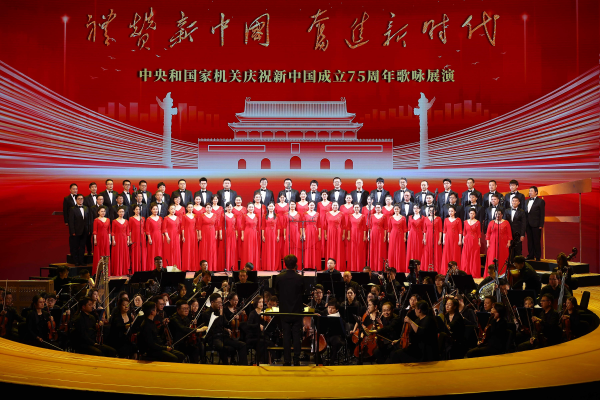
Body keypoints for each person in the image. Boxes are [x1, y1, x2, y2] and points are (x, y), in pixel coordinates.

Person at [275, 255, 306, 366]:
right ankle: (296, 359)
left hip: (284, 310)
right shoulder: (300, 278)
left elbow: (277, 292)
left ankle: (287, 360)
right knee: (296, 335)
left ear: (285, 264)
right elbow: (303, 293)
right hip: (297, 311)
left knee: (286, 335)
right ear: (296, 264)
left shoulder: (279, 278)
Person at [202, 293, 248, 365]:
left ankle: (243, 366)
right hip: (213, 337)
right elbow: (215, 325)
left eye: (221, 302)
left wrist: (234, 318)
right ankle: (226, 366)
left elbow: (226, 323)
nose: (220, 305)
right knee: (223, 348)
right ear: (212, 302)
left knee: (242, 345)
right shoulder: (206, 313)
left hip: (223, 336)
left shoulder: (220, 311)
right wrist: (221, 315)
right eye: (218, 303)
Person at [246, 296, 275, 364]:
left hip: (261, 335)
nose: (261, 304)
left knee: (270, 342)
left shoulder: (264, 313)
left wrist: (269, 321)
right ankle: (261, 361)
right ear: (256, 303)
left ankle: (270, 361)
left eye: (262, 302)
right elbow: (248, 325)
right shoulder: (252, 313)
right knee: (263, 343)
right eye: (259, 302)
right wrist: (258, 325)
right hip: (253, 336)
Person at [485, 208, 512, 276]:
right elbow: (488, 233)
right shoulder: (491, 222)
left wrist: (509, 242)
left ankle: (502, 274)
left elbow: (509, 233)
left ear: (502, 215)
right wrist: (488, 242)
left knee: (503, 257)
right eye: (496, 214)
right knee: (492, 257)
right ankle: (492, 274)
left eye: (499, 214)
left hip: (503, 242)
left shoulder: (506, 222)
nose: (497, 215)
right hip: (492, 242)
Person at [68, 194, 91, 266]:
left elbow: (88, 220)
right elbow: (71, 221)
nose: (80, 200)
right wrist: (72, 231)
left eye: (82, 198)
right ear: (76, 200)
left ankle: (81, 261)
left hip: (85, 231)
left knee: (82, 247)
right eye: (79, 199)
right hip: (76, 231)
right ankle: (76, 261)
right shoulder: (72, 209)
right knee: (75, 247)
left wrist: (89, 230)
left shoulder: (86, 208)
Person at [441, 205, 462, 274]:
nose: (450, 212)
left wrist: (460, 240)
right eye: (449, 211)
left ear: (455, 212)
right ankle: (446, 270)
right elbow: (444, 231)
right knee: (447, 253)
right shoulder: (446, 220)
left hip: (455, 238)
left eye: (452, 211)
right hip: (447, 238)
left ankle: (455, 270)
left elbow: (460, 231)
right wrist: (443, 240)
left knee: (455, 253)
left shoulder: (458, 220)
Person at [525, 186, 545, 261]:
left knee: (536, 241)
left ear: (536, 192)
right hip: (528, 224)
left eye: (531, 191)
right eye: (529, 191)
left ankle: (537, 256)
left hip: (536, 224)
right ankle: (531, 255)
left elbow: (542, 214)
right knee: (529, 241)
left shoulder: (540, 201)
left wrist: (541, 224)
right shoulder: (526, 201)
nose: (530, 192)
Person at [461, 207, 482, 278]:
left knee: (474, 256)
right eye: (470, 213)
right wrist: (463, 239)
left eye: (473, 213)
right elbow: (464, 232)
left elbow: (479, 233)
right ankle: (466, 271)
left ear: (475, 214)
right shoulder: (465, 222)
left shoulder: (478, 222)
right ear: (468, 214)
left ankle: (474, 272)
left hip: (474, 240)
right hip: (467, 240)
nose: (472, 215)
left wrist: (479, 241)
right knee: (466, 255)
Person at [198, 203, 219, 271]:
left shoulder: (215, 215)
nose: (208, 209)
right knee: (204, 248)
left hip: (212, 233)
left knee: (212, 249)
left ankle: (212, 267)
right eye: (207, 207)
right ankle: (203, 267)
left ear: (211, 208)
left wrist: (216, 234)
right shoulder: (202, 215)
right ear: (205, 208)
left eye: (210, 207)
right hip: (204, 234)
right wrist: (199, 235)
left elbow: (216, 226)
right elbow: (199, 226)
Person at [325, 202, 346, 270]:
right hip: (330, 232)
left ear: (338, 206)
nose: (335, 206)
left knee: (338, 248)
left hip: (338, 233)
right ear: (331, 206)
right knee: (330, 247)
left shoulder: (341, 214)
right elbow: (325, 225)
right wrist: (325, 234)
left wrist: (343, 234)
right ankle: (330, 266)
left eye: (336, 205)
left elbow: (344, 225)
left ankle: (338, 266)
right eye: (334, 205)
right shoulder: (327, 214)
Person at [111, 207, 131, 276]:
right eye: (120, 212)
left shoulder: (126, 221)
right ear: (117, 213)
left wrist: (128, 240)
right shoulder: (114, 221)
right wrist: (113, 240)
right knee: (117, 254)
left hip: (124, 239)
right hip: (117, 239)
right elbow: (113, 232)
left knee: (124, 254)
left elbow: (128, 232)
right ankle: (117, 271)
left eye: (122, 211)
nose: (121, 213)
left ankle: (124, 270)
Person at [347, 203, 367, 272]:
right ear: (353, 208)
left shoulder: (363, 216)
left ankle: (359, 267)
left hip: (360, 234)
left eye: (357, 207)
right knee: (353, 250)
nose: (356, 209)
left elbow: (364, 227)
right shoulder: (350, 216)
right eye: (355, 207)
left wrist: (364, 236)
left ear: (360, 208)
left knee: (360, 250)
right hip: (352, 234)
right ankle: (353, 267)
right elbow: (348, 227)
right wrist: (348, 236)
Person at [422, 206, 442, 272]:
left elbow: (440, 230)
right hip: (428, 237)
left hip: (436, 237)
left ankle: (436, 268)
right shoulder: (425, 218)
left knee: (436, 252)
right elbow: (424, 230)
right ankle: (427, 268)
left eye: (433, 210)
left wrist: (440, 239)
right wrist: (424, 238)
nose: (431, 212)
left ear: (435, 211)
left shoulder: (439, 219)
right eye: (430, 210)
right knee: (427, 251)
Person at [241, 203, 261, 270]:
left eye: (252, 207)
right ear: (247, 208)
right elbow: (242, 226)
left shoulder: (256, 216)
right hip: (247, 233)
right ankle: (246, 266)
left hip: (254, 234)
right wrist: (242, 235)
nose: (251, 208)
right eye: (249, 207)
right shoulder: (244, 216)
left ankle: (254, 266)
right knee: (247, 249)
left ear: (254, 208)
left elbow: (258, 227)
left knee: (254, 249)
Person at [91, 206, 111, 273]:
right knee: (99, 253)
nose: (103, 212)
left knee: (106, 253)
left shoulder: (108, 220)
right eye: (101, 211)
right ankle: (98, 272)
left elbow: (109, 231)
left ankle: (106, 271)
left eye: (104, 211)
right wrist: (95, 239)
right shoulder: (96, 220)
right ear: (98, 212)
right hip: (99, 238)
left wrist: (110, 239)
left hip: (106, 238)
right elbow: (95, 231)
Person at [303, 201, 321, 270]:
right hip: (307, 231)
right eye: (310, 205)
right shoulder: (305, 214)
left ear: (314, 206)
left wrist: (319, 234)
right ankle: (307, 265)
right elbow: (303, 225)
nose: (311, 206)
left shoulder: (317, 214)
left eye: (313, 205)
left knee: (315, 247)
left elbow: (319, 225)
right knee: (308, 248)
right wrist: (304, 234)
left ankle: (314, 265)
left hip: (315, 232)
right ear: (308, 206)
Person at [262, 202, 280, 271]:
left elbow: (278, 227)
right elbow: (263, 227)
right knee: (267, 249)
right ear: (268, 207)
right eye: (270, 206)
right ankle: (267, 266)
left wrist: (278, 236)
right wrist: (263, 235)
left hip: (274, 233)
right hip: (267, 233)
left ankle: (274, 266)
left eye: (272, 206)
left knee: (274, 249)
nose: (271, 207)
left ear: (274, 207)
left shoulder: (277, 216)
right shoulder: (264, 216)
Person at [369, 204, 388, 271]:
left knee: (381, 249)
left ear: (381, 208)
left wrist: (385, 236)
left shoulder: (384, 216)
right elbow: (370, 226)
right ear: (375, 208)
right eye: (376, 207)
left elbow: (385, 227)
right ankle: (373, 267)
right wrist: (369, 235)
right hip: (373, 234)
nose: (377, 209)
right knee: (373, 249)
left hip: (381, 234)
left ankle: (380, 267)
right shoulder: (372, 216)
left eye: (379, 207)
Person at [405, 204, 425, 268]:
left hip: (419, 235)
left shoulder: (423, 217)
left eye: (417, 208)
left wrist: (424, 237)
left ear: (419, 209)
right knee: (411, 249)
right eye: (414, 208)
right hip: (411, 235)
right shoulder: (410, 217)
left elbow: (424, 229)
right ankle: (411, 266)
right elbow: (409, 228)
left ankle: (419, 266)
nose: (415, 209)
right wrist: (408, 237)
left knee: (419, 249)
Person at [129, 204, 147, 273]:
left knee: (142, 252)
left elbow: (144, 229)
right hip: (134, 237)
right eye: (136, 209)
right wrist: (130, 239)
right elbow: (130, 230)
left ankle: (142, 269)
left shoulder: (143, 218)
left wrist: (144, 238)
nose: (138, 211)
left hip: (142, 237)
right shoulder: (131, 218)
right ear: (134, 210)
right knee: (135, 253)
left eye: (139, 209)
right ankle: (135, 269)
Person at [145, 205, 163, 270]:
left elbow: (162, 229)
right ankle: (152, 267)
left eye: (156, 209)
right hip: (152, 237)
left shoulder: (160, 218)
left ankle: (159, 267)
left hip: (159, 237)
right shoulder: (149, 219)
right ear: (151, 210)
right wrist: (149, 238)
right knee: (152, 252)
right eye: (154, 209)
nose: (155, 210)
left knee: (159, 251)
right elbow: (147, 230)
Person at [222, 202, 238, 271]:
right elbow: (221, 225)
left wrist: (236, 234)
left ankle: (232, 265)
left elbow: (236, 226)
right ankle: (227, 266)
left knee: (233, 249)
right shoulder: (223, 215)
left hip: (233, 233)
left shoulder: (234, 215)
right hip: (226, 232)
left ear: (232, 208)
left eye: (230, 207)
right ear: (226, 208)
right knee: (227, 248)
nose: (229, 208)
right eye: (228, 207)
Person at [318, 190, 332, 260]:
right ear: (321, 195)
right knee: (321, 238)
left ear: (327, 195)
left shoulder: (331, 203)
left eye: (325, 194)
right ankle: (322, 256)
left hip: (329, 222)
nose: (324, 196)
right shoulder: (319, 204)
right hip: (321, 222)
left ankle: (328, 255)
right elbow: (318, 214)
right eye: (323, 194)